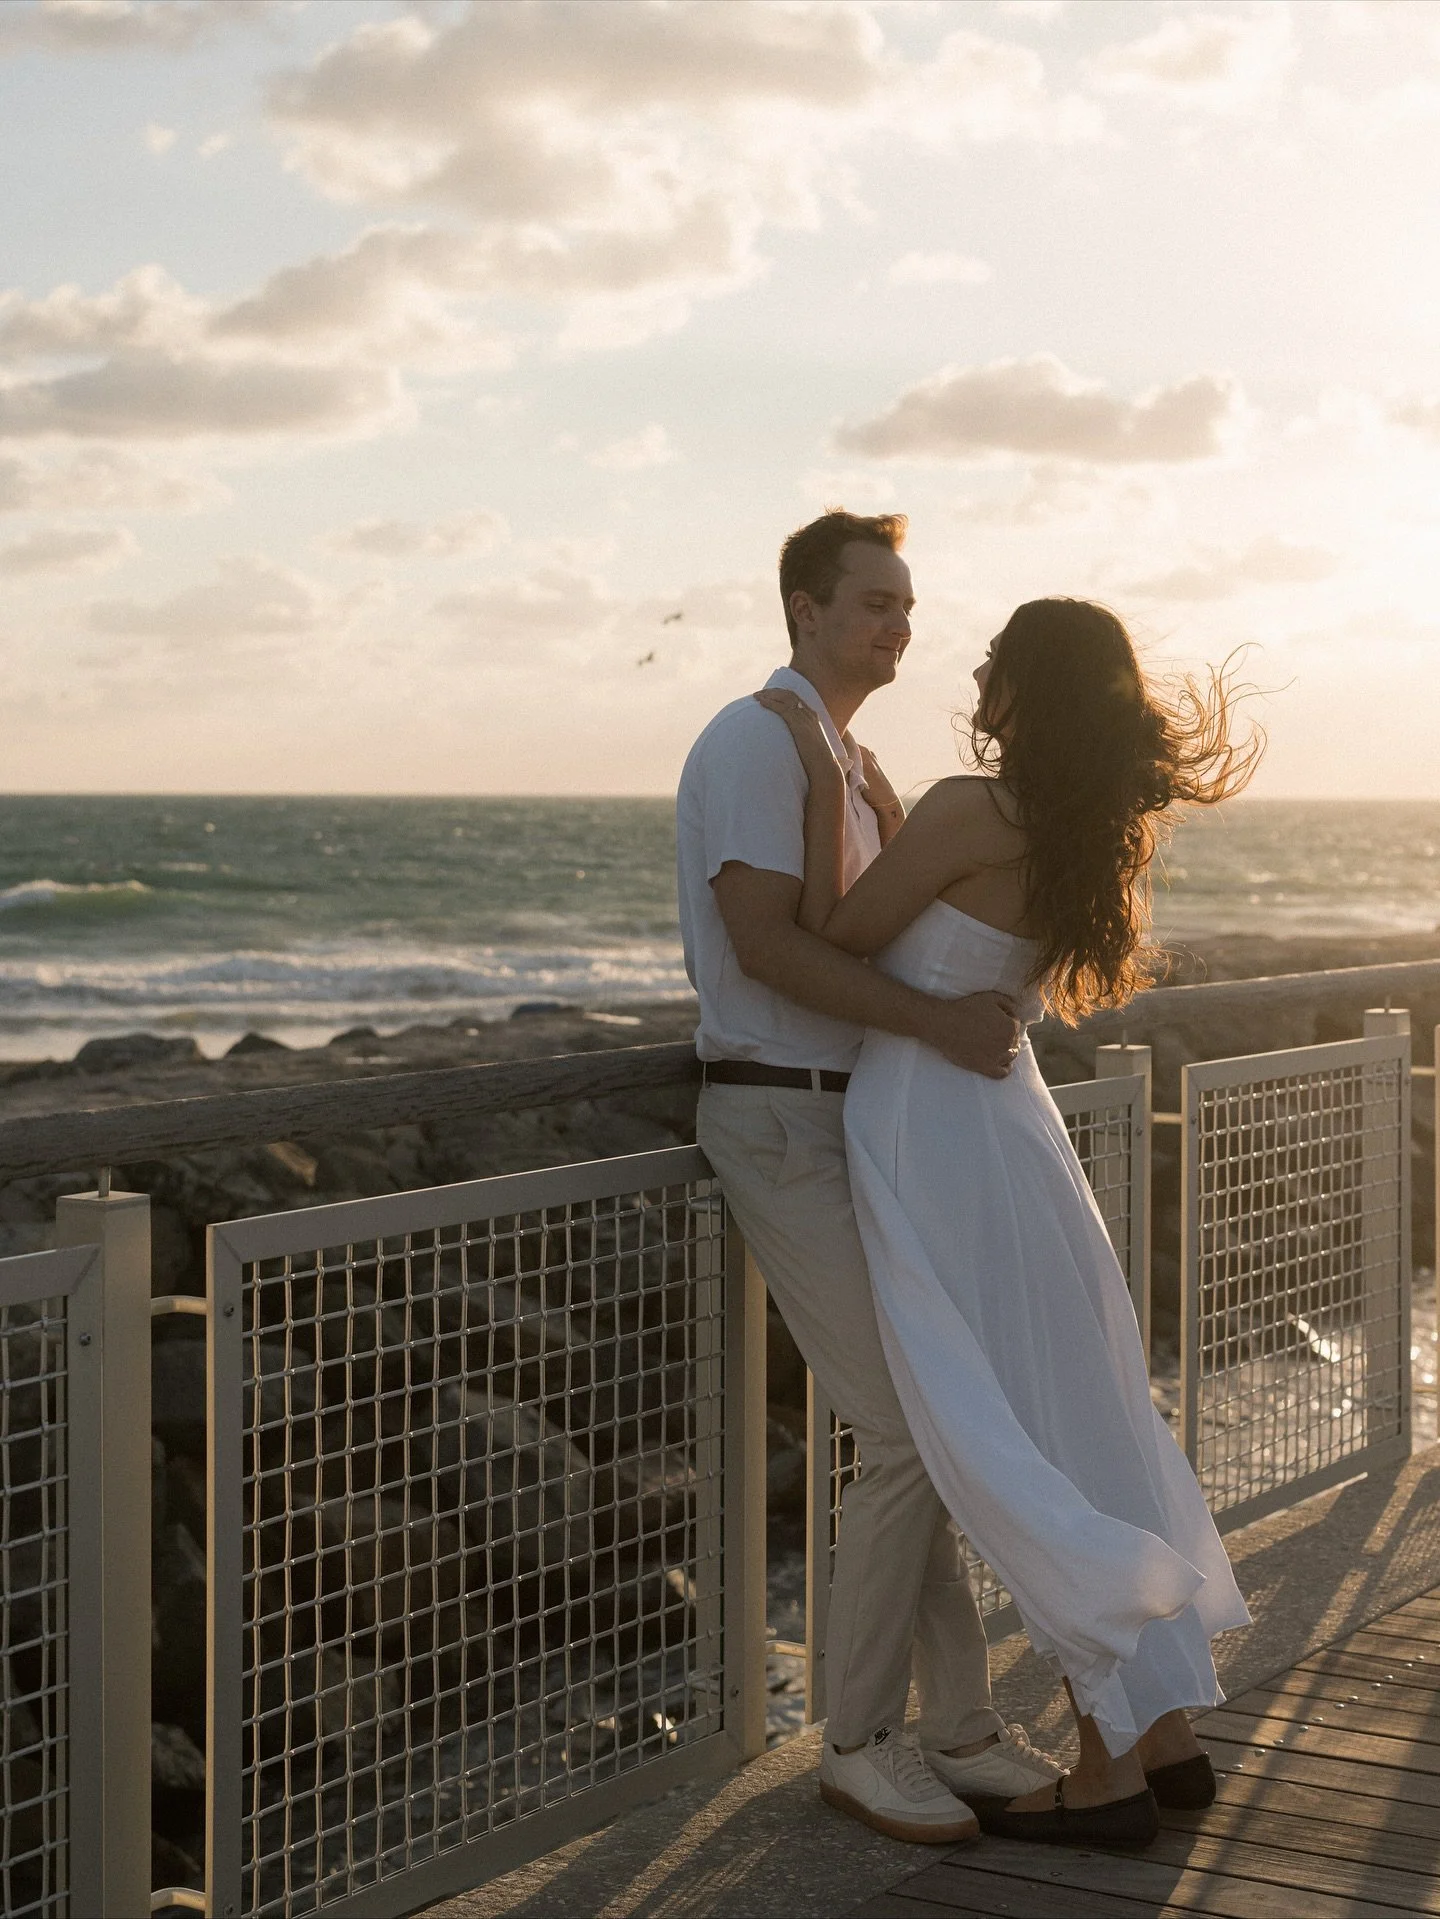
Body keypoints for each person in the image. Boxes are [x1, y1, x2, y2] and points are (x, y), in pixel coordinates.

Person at [754, 595, 1261, 1848]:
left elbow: (833, 936)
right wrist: (889, 814)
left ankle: (1105, 1772)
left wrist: (832, 793)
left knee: (999, 1427)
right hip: (1015, 1130)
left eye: (995, 660)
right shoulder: (1091, 829)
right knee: (1082, 1409)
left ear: (1030, 687)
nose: (976, 671)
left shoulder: (969, 807)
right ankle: (1164, 1734)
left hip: (931, 1125)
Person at [676, 511, 1063, 1846]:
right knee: (903, 1433)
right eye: (874, 601)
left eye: (907, 602)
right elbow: (766, 945)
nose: (901, 622)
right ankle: (856, 1741)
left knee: (928, 1423)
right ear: (805, 608)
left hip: (859, 1120)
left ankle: (959, 1725)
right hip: (780, 1112)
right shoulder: (752, 739)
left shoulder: (851, 759)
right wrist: (940, 1023)